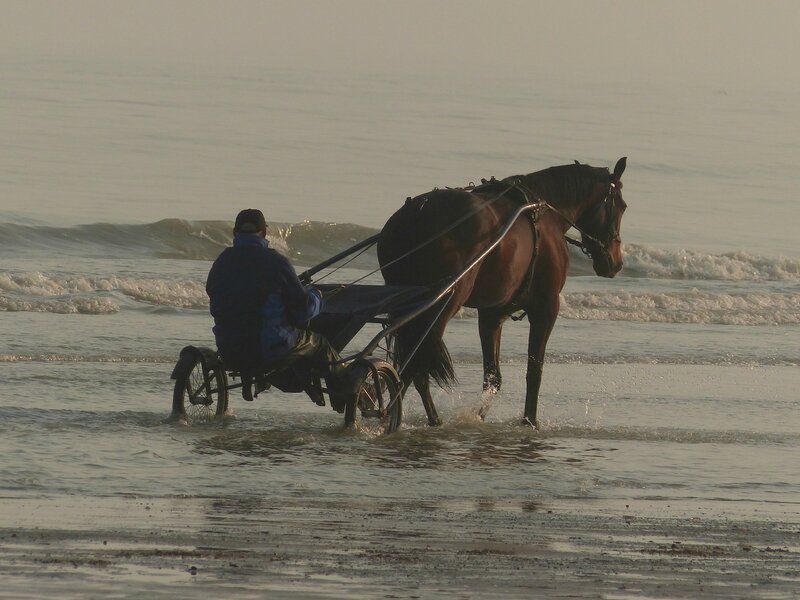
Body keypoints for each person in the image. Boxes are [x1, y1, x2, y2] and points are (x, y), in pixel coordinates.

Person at [206, 208, 341, 402]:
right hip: (268, 350)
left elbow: (214, 294)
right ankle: (343, 391)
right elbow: (303, 311)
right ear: (264, 233)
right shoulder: (277, 263)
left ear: (235, 233)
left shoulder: (221, 262)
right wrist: (317, 296)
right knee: (320, 343)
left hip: (228, 348)